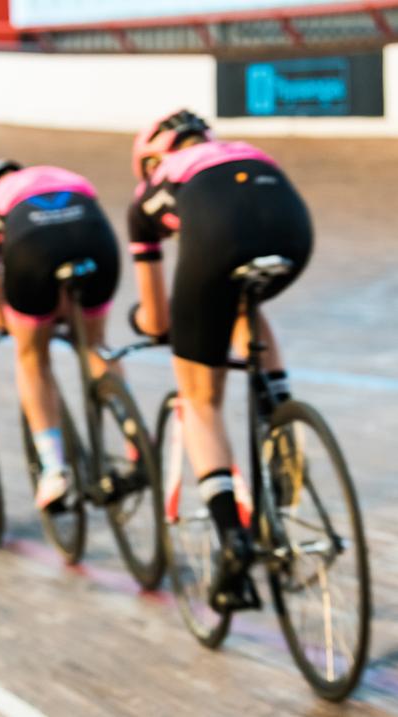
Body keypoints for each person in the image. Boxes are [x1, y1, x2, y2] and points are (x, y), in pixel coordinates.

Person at [127, 109, 312, 610]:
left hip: (217, 237)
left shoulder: (152, 188)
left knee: (199, 399)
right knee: (244, 299)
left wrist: (143, 322)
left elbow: (159, 318)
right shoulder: (242, 149)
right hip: (292, 227)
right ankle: (280, 415)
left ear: (153, 157)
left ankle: (233, 540)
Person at [0, 159, 120, 509]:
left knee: (32, 357)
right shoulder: (62, 174)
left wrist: (5, 321)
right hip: (92, 235)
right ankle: (136, 443)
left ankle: (53, 470)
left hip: (32, 247)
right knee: (95, 345)